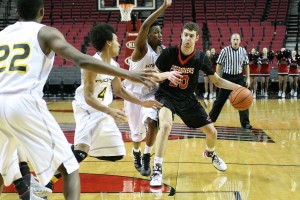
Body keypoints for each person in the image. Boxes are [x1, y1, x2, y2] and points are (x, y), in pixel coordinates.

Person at [0, 0, 159, 200]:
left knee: (2, 168)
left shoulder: (2, 34)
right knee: (70, 168)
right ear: (42, 11)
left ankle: (61, 161)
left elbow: (118, 89)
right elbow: (82, 60)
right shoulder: (45, 32)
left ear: (16, 12)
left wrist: (140, 101)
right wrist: (130, 75)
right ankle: (46, 183)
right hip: (28, 102)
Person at [149, 22, 242, 187]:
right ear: (181, 35)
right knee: (164, 126)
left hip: (188, 99)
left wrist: (238, 87)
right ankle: (157, 168)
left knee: (212, 132)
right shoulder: (169, 53)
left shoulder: (200, 58)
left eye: (191, 36)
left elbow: (217, 81)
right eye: (185, 35)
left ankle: (210, 154)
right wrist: (166, 75)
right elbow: (153, 74)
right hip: (166, 96)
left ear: (197, 38)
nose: (187, 38)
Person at [123, 0, 180, 177]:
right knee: (136, 135)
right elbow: (144, 26)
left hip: (152, 94)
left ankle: (147, 155)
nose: (159, 35)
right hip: (133, 95)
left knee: (152, 123)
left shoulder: (162, 52)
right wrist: (163, 8)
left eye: (160, 32)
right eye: (155, 32)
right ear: (147, 36)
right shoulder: (141, 49)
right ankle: (136, 152)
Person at [209, 33, 252, 130]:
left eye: (237, 39)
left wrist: (248, 78)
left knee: (243, 99)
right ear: (231, 40)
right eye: (234, 39)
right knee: (219, 101)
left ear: (240, 41)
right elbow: (219, 65)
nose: (235, 41)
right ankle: (210, 120)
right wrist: (217, 78)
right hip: (226, 78)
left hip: (239, 78)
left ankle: (245, 123)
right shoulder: (225, 50)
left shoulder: (243, 51)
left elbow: (246, 65)